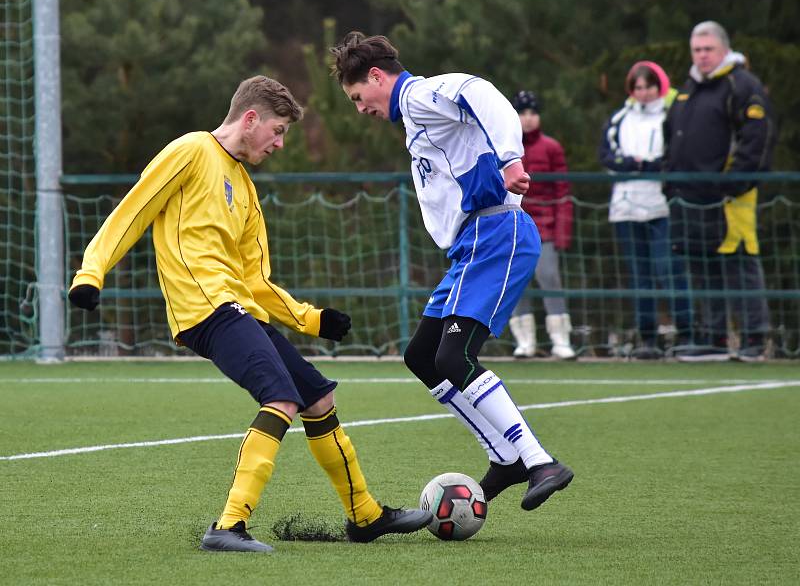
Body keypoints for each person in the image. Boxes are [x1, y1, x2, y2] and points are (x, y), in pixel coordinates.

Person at [68, 75, 432, 553]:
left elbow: (257, 280)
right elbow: (132, 212)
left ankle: (364, 516)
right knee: (280, 399)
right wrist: (90, 273)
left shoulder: (245, 188)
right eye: (278, 131)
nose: (280, 144)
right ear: (251, 118)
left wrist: (312, 319)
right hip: (205, 311)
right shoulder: (192, 150)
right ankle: (227, 528)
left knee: (317, 399)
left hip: (239, 309)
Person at [330, 32, 573, 510]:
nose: (359, 109)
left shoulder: (420, 95)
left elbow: (484, 94)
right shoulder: (415, 117)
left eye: (358, 97)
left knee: (452, 357)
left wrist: (510, 159)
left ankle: (537, 459)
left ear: (378, 77)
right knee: (422, 355)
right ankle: (504, 457)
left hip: (495, 233)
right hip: (471, 245)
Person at [663, 21, 775, 362]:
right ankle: (713, 339)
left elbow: (757, 139)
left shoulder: (742, 85)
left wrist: (733, 184)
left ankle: (755, 339)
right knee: (702, 265)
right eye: (697, 50)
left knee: (739, 263)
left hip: (730, 198)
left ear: (724, 49)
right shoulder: (688, 90)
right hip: (689, 197)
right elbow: (672, 139)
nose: (702, 56)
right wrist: (671, 184)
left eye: (708, 49)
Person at [598, 61, 693, 359]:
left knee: (670, 271)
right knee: (640, 276)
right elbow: (607, 155)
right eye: (637, 87)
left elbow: (674, 155)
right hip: (625, 207)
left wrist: (648, 166)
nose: (643, 93)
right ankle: (647, 338)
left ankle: (687, 334)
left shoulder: (672, 115)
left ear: (659, 87)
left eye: (649, 86)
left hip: (662, 205)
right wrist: (635, 165)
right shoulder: (619, 118)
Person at [507, 91, 577, 360]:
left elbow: (562, 192)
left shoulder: (552, 147)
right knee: (516, 280)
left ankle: (561, 338)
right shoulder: (506, 145)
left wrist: (563, 231)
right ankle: (525, 340)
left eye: (532, 112)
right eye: (522, 113)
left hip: (545, 226)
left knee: (549, 277)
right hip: (512, 225)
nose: (527, 118)